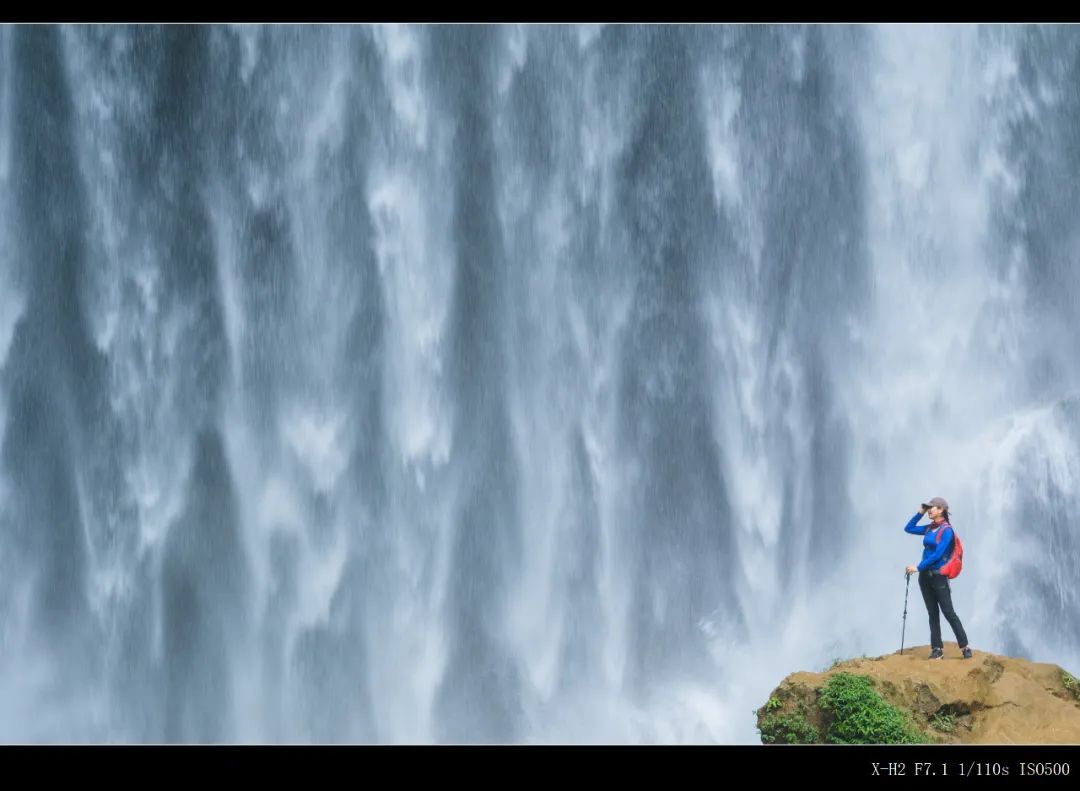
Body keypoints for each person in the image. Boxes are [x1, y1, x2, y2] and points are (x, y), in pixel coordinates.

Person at [903, 496, 972, 659]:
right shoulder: (929, 528)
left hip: (939, 576)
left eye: (931, 507)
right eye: (928, 508)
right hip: (925, 578)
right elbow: (908, 528)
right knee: (932, 613)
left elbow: (938, 554)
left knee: (948, 612)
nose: (929, 510)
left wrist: (918, 567)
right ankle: (937, 649)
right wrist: (920, 512)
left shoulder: (947, 531)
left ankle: (965, 647)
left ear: (941, 509)